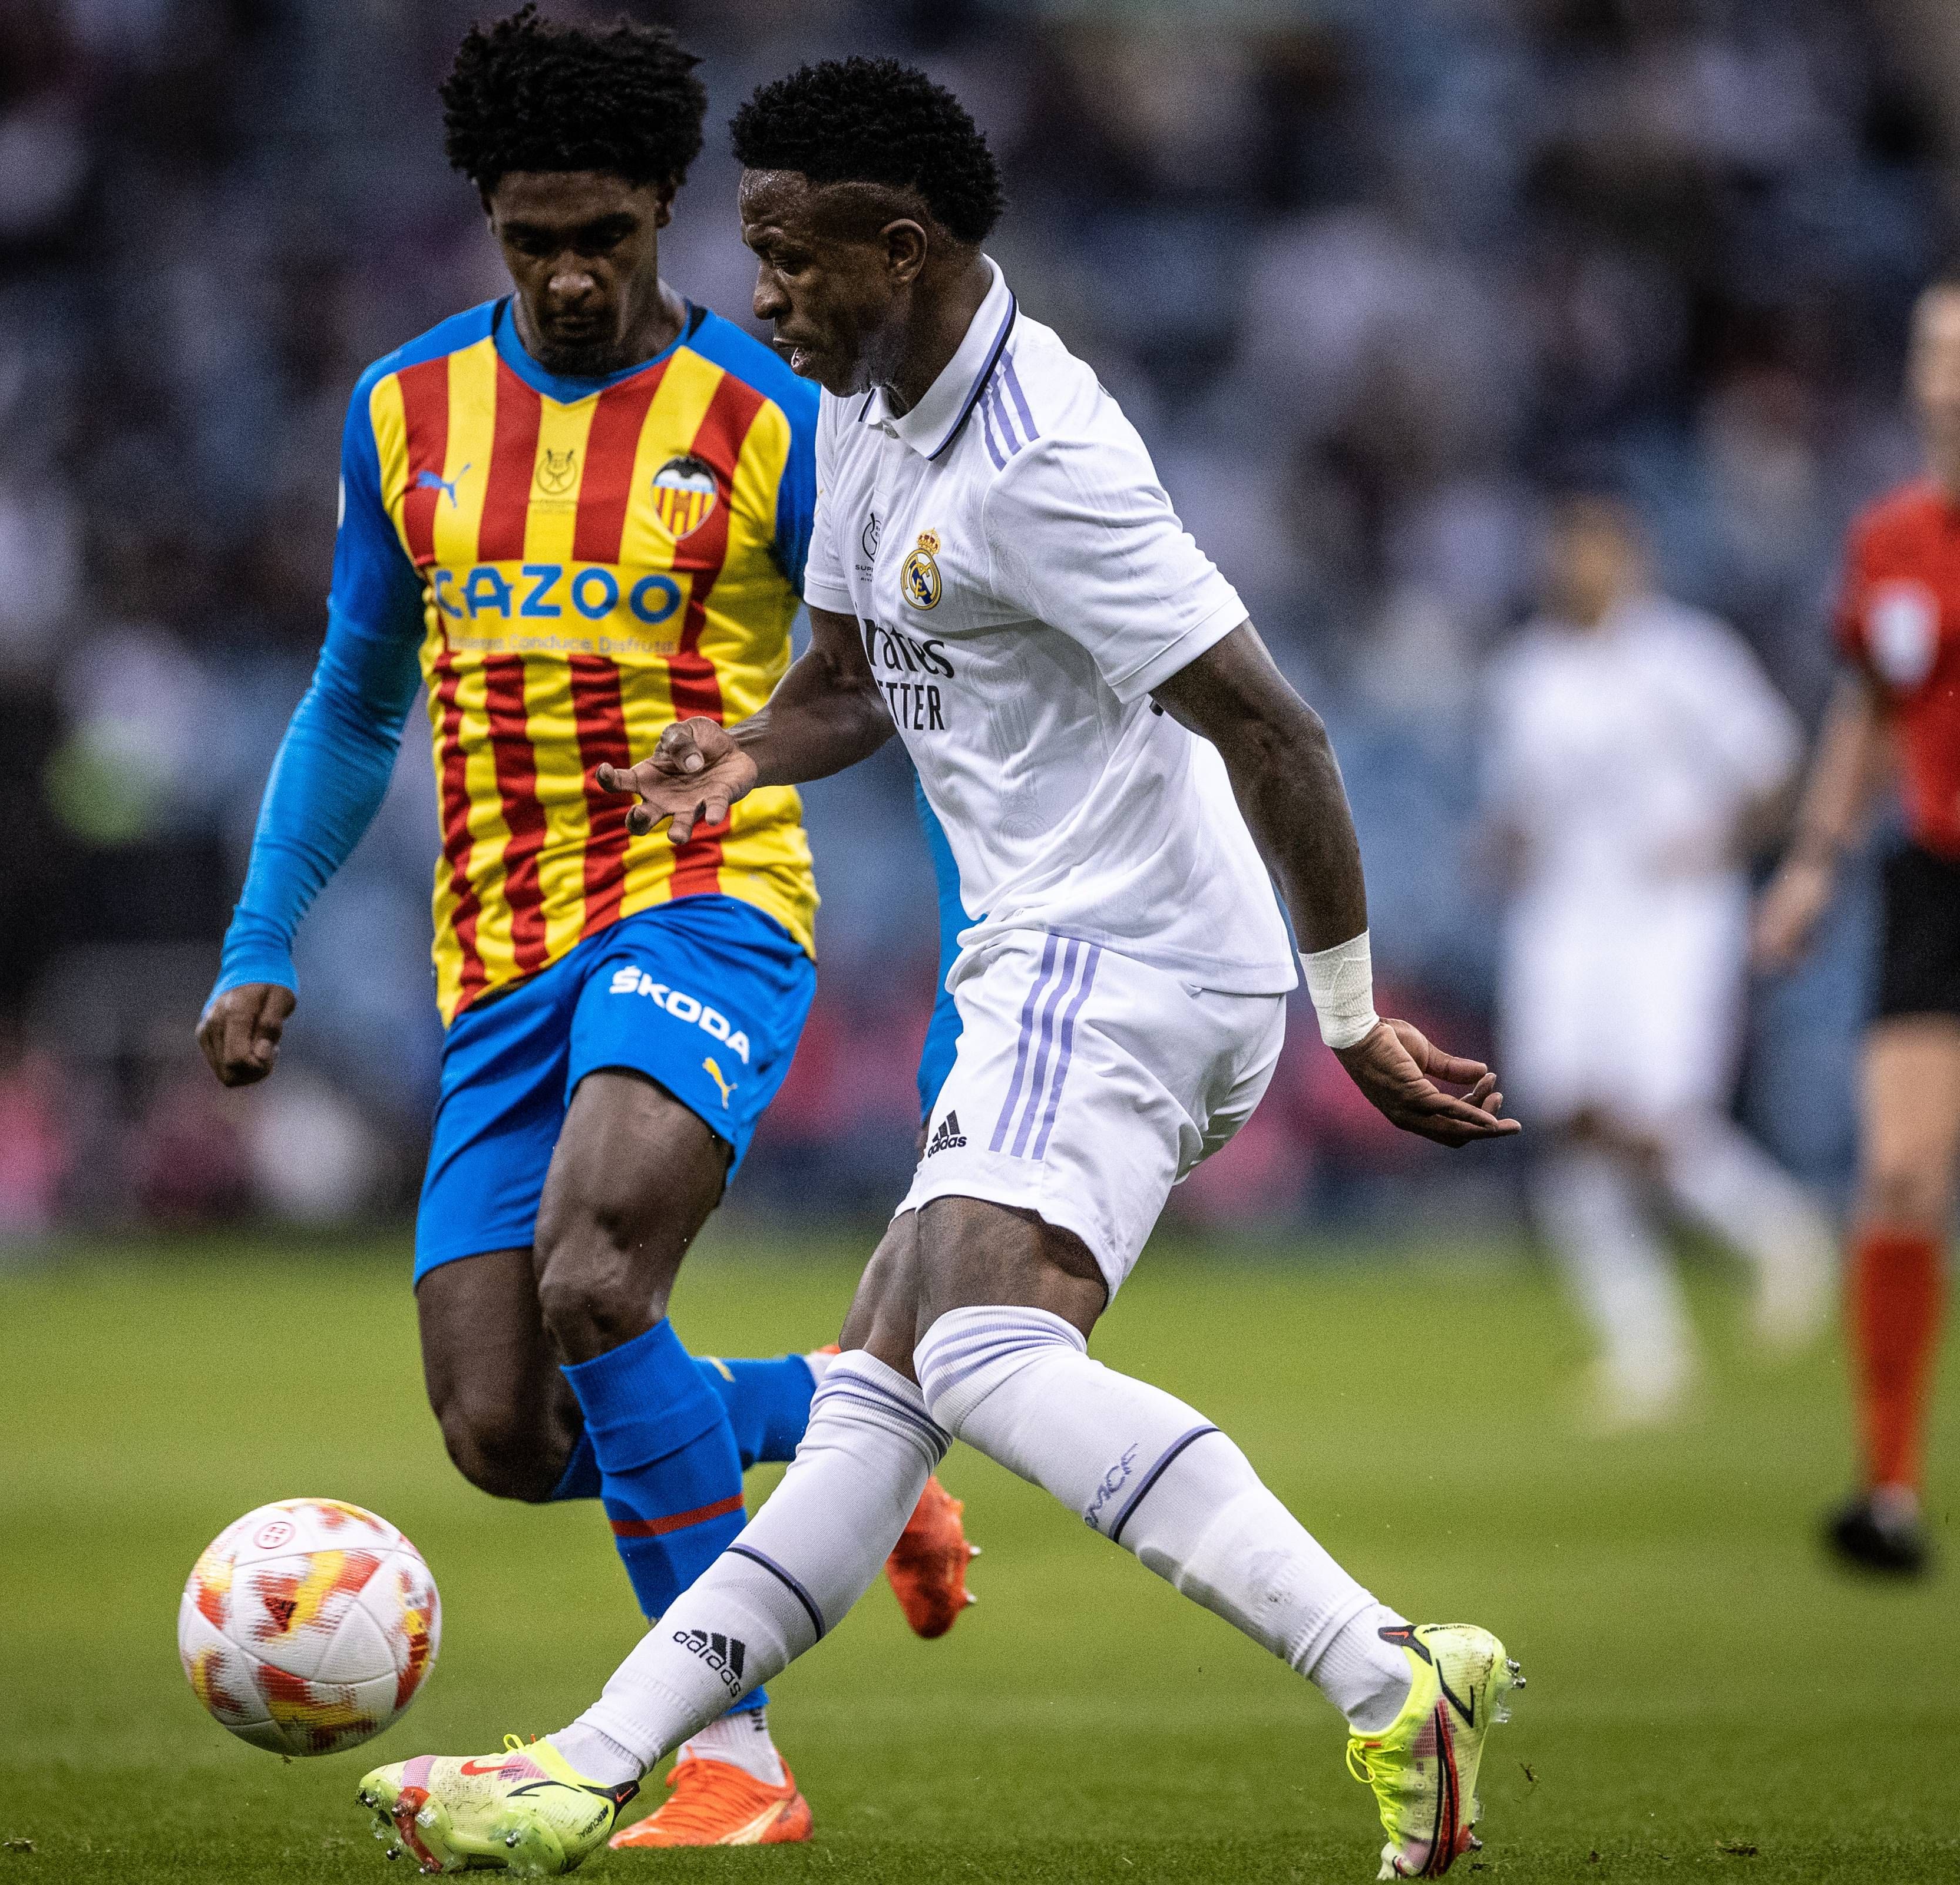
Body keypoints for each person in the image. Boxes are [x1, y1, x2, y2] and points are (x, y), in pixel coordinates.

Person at [356, 57, 1522, 1881]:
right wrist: (736, 752)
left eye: (796, 261)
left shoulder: (1045, 461)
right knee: (879, 1388)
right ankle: (595, 1772)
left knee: (973, 1349)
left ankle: (1381, 1674)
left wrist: (1354, 1019)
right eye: (755, 255)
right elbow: (839, 680)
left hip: (1122, 947)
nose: (765, 297)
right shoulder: (865, 407)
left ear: (902, 249)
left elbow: (1278, 731)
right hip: (1046, 955)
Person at [194, 12, 969, 1841]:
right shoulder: (405, 412)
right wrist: (261, 934)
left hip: (705, 911)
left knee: (599, 1276)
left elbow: (906, 709)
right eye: (530, 237)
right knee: (503, 1429)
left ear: (663, 210)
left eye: (602, 235)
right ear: (486, 216)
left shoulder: (779, 419)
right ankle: (865, 1448)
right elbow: (354, 698)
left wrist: (964, 989)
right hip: (497, 961)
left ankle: (733, 1757)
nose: (565, 274)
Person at [1483, 494, 1834, 1430]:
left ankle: (1776, 1233)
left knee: (1651, 1118)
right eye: (1567, 548)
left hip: (1669, 918)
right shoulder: (1528, 675)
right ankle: (1650, 1348)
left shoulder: (1684, 656)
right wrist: (1499, 852)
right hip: (1564, 920)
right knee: (1563, 1121)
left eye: (1596, 548)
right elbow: (1519, 805)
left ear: (1631, 558)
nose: (1579, 566)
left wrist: (1720, 846)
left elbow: (1774, 765)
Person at [1753, 280, 1960, 1578]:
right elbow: (1871, 712)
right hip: (1931, 875)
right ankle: (1884, 1487)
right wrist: (1813, 862)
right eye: (1931, 350)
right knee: (1896, 1173)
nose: (1943, 373)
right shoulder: (1888, 536)